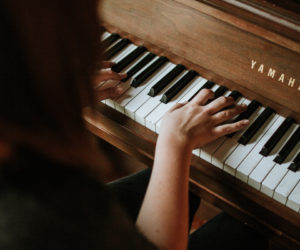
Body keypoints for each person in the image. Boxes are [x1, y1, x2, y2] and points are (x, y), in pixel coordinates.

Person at [0, 0, 268, 249]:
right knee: (251, 224)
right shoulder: (26, 224)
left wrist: (53, 100)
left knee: (192, 184)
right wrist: (175, 143)